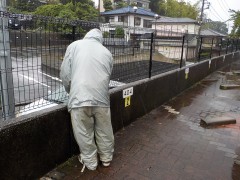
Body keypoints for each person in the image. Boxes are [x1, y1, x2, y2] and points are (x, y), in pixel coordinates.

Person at [60, 28, 114, 172]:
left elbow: (65, 73)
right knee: (104, 129)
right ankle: (106, 158)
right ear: (100, 39)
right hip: (102, 98)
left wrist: (70, 91)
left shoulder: (74, 46)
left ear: (87, 36)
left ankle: (91, 163)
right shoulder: (107, 52)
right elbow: (108, 75)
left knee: (83, 131)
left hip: (79, 97)